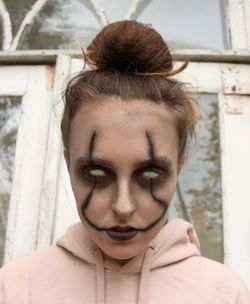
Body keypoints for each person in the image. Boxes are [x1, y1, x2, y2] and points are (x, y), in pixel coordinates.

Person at [0, 20, 249, 304]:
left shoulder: (223, 292)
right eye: (96, 173)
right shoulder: (16, 286)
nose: (123, 206)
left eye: (151, 175)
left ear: (178, 166)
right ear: (68, 164)